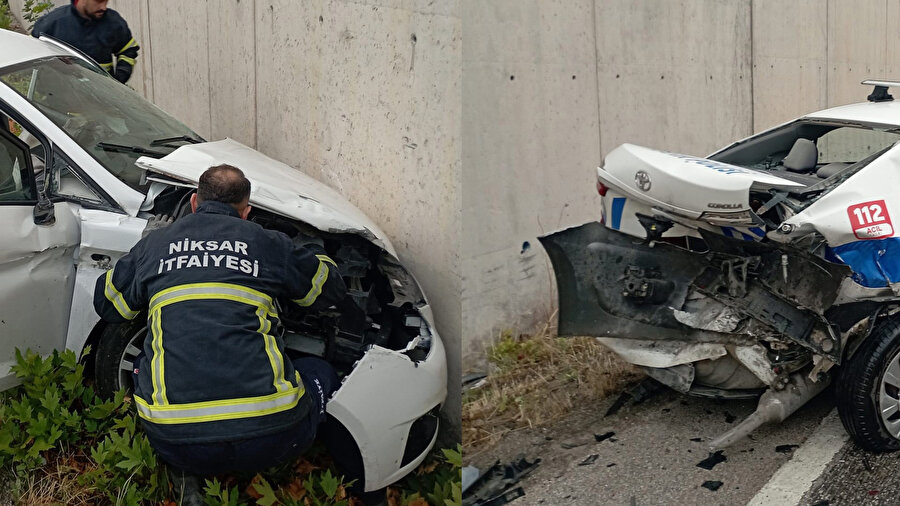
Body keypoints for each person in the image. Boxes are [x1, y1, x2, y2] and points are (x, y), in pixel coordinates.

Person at [93, 164, 350, 503]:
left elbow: (109, 305)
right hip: (274, 439)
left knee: (146, 361)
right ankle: (350, 479)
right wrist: (315, 249)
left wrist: (143, 258)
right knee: (321, 372)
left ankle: (184, 471)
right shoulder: (267, 242)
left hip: (176, 441)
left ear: (195, 202)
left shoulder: (157, 245)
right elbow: (327, 291)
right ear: (247, 212)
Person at [32, 0, 139, 83]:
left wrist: (119, 80)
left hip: (102, 97)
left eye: (106, 1)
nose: (104, 7)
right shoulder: (52, 23)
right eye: (98, 1)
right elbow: (29, 54)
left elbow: (128, 51)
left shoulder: (113, 22)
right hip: (60, 98)